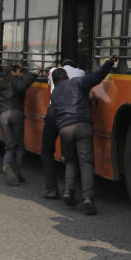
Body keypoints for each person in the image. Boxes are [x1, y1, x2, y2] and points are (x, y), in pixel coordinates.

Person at [51, 55, 117, 215]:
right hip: (82, 126)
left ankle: (68, 192)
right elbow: (96, 77)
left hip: (65, 130)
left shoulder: (54, 94)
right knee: (86, 163)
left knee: (70, 162)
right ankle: (87, 198)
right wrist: (109, 63)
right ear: (67, 76)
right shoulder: (76, 82)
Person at [41, 60, 86, 199]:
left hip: (53, 111)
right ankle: (69, 190)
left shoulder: (54, 71)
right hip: (72, 114)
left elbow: (49, 81)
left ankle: (52, 189)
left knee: (47, 151)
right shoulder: (81, 72)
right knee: (70, 155)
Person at [0, 64, 41, 186]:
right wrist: (35, 74)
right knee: (19, 146)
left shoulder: (0, 82)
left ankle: (6, 165)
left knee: (9, 145)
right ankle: (17, 172)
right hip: (15, 113)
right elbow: (21, 88)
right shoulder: (14, 79)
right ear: (13, 72)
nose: (20, 74)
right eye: (19, 71)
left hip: (3, 115)